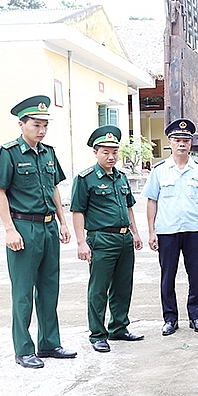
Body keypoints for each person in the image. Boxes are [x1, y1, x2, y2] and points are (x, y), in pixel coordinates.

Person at [0, 95, 76, 369]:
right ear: (21, 124)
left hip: (49, 226)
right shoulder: (8, 152)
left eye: (45, 125)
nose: (41, 130)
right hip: (23, 227)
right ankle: (24, 349)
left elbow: (54, 189)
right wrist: (9, 230)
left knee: (50, 287)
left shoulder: (48, 152)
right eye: (36, 124)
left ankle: (49, 343)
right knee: (23, 292)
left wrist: (63, 222)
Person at [71, 125, 144, 353]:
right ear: (96, 152)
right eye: (105, 152)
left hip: (124, 239)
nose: (111, 156)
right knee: (98, 288)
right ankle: (97, 334)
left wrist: (135, 232)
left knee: (123, 286)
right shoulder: (86, 179)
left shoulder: (121, 177)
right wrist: (81, 242)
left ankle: (119, 327)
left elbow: (129, 207)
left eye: (114, 151)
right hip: (101, 239)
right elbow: (77, 211)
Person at [142, 118, 198, 336]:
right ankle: (170, 319)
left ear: (191, 144)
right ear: (170, 143)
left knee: (195, 275)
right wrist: (151, 231)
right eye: (177, 140)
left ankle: (196, 316)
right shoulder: (159, 171)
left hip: (194, 231)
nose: (181, 144)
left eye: (186, 140)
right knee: (168, 276)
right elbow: (151, 201)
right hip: (167, 232)